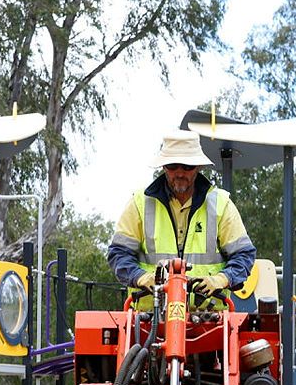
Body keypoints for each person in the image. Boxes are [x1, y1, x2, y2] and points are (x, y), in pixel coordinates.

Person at [107, 130, 256, 308]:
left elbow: (244, 255)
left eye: (187, 166)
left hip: (209, 320)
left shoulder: (220, 204)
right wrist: (142, 278)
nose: (179, 173)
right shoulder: (140, 204)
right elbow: (118, 254)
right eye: (173, 166)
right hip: (150, 320)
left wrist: (220, 280)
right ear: (163, 167)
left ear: (199, 167)